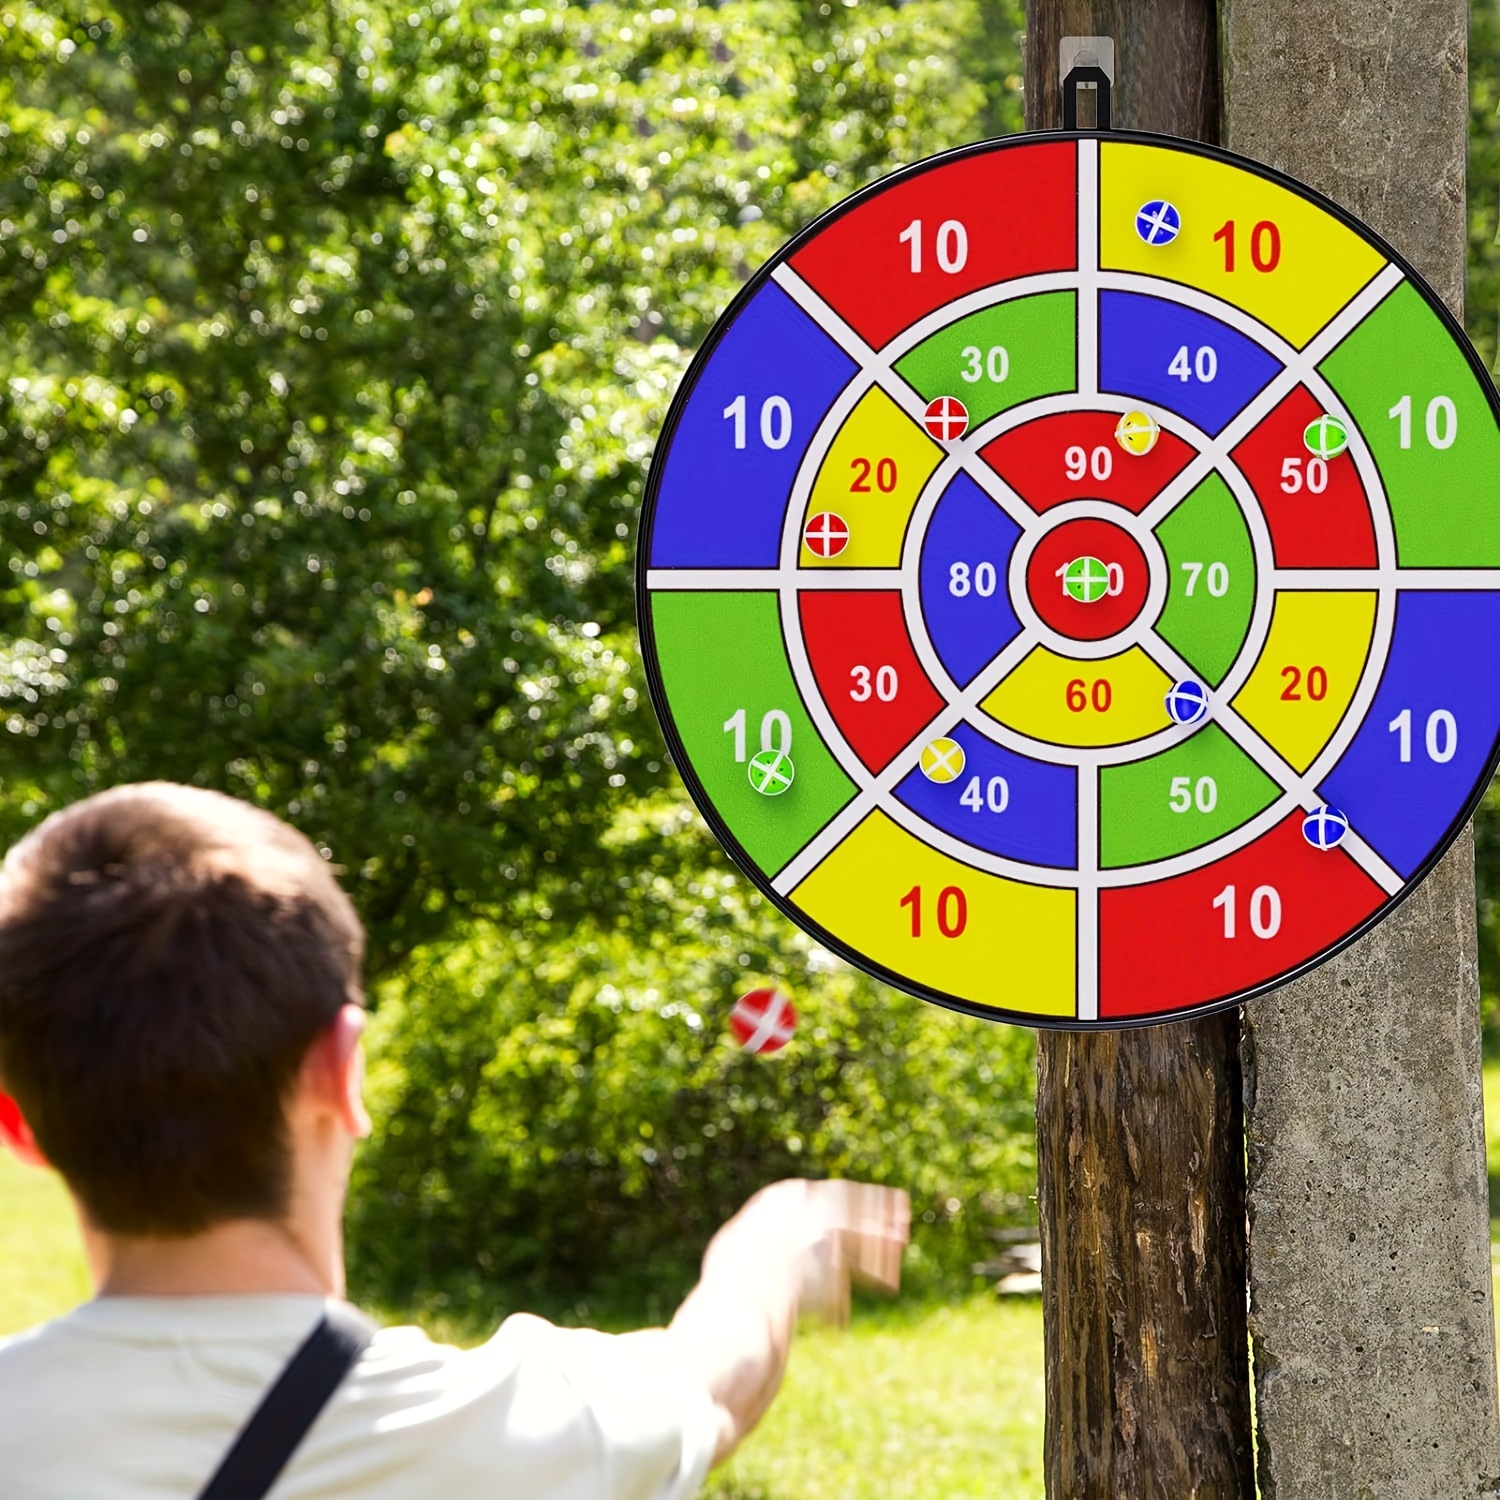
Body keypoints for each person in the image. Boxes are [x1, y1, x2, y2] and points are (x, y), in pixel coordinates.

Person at [0, 783, 909, 1499]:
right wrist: (775, 1238)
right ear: (342, 1071)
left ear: (17, 1121)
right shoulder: (502, 1434)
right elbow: (716, 1384)